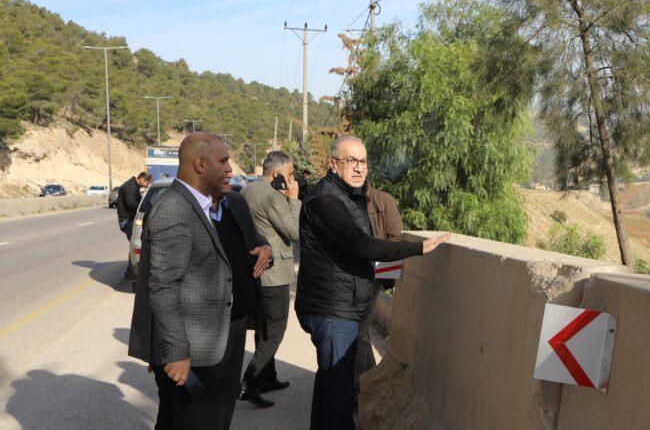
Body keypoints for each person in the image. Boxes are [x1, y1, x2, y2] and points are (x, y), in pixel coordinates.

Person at [295, 135, 452, 430]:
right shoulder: (325, 200)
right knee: (340, 393)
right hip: (332, 308)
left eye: (364, 161)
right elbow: (361, 244)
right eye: (351, 161)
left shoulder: (347, 196)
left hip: (342, 303)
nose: (359, 168)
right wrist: (417, 248)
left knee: (329, 385)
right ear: (333, 164)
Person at [128, 133, 273, 430]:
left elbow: (251, 237)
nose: (230, 169)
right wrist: (176, 352)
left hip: (228, 333)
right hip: (195, 350)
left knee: (216, 419)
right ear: (200, 164)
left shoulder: (230, 204)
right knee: (193, 421)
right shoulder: (174, 210)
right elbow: (163, 288)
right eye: (223, 161)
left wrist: (265, 247)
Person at [239, 150, 301, 408]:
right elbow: (295, 231)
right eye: (291, 174)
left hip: (257, 272)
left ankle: (267, 377)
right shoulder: (272, 195)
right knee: (274, 331)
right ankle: (249, 383)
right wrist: (294, 199)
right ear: (277, 174)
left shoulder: (248, 190)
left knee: (263, 329)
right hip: (274, 276)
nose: (293, 179)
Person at [354, 184, 403, 388]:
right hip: (345, 277)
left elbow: (395, 239)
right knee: (359, 334)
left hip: (370, 276)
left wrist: (385, 275)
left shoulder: (383, 201)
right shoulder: (337, 198)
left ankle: (360, 387)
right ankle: (368, 383)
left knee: (358, 333)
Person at [116, 171, 151, 277]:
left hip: (129, 219)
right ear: (142, 179)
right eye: (146, 183)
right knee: (136, 246)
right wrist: (146, 205)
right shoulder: (130, 187)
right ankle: (131, 270)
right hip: (127, 221)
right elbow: (131, 204)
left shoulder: (134, 186)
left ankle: (130, 270)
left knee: (135, 245)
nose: (146, 185)